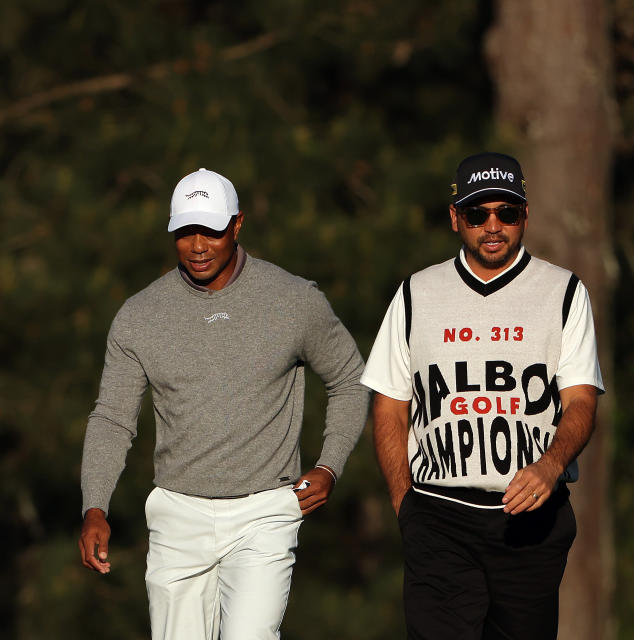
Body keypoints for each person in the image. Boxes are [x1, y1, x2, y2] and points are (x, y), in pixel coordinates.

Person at [78, 168, 369, 639]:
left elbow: (351, 380)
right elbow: (112, 418)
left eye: (210, 231)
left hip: (265, 512)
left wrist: (330, 465)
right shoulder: (139, 316)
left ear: (237, 225)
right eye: (185, 231)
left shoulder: (293, 300)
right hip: (177, 515)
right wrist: (95, 507)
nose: (197, 245)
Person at [362, 152, 604, 639]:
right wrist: (404, 503)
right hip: (438, 516)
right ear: (456, 218)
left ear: (524, 216)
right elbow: (389, 403)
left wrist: (551, 465)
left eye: (506, 213)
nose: (492, 226)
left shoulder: (564, 292)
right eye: (477, 214)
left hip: (530, 520)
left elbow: (581, 401)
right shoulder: (416, 294)